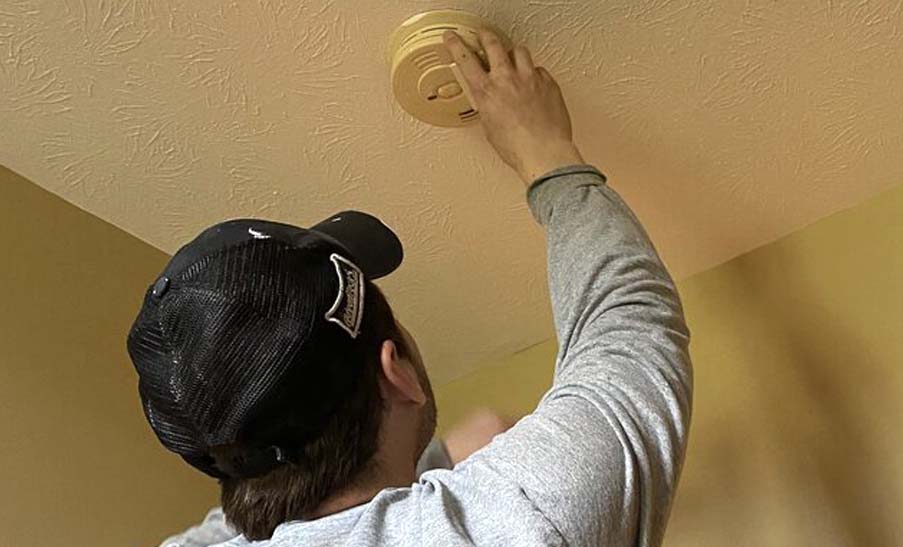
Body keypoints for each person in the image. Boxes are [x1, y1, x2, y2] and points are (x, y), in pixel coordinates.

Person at [130, 29, 692, 547]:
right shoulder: (520, 518)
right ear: (395, 371)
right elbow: (628, 328)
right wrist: (546, 155)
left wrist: (433, 459)